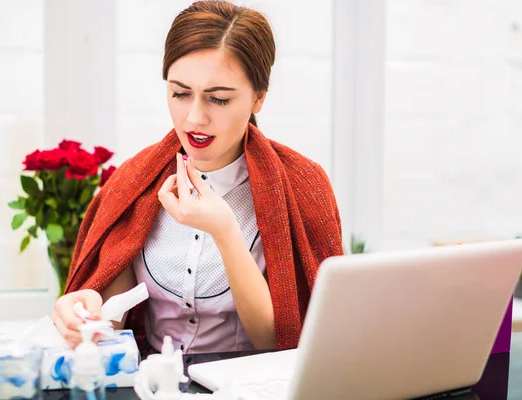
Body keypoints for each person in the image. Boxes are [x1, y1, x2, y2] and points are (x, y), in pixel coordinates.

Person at [52, 0, 343, 355]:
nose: (194, 119)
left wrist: (224, 230)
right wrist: (84, 312)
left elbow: (279, 342)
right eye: (180, 93)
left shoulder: (301, 184)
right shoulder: (136, 182)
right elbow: (111, 318)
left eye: (218, 99)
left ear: (259, 99)